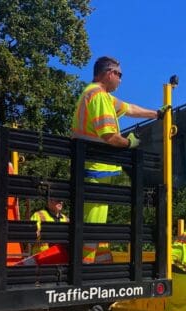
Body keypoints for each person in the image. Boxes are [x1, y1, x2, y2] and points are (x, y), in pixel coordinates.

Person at [71, 56, 167, 264]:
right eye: (119, 75)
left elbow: (130, 108)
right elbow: (109, 136)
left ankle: (91, 267)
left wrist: (157, 114)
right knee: (92, 225)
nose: (121, 80)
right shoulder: (98, 96)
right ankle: (83, 269)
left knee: (94, 224)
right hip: (94, 170)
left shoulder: (98, 95)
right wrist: (129, 143)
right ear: (108, 73)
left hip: (94, 170)